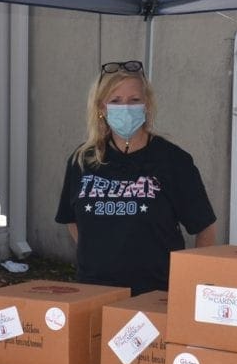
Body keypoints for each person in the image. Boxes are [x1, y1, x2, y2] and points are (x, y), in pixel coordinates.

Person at [56, 60, 217, 295]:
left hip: (156, 295)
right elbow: (71, 219)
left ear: (147, 105)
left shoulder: (173, 160)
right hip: (93, 293)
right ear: (101, 108)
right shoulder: (82, 160)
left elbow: (205, 228)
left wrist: (191, 284)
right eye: (115, 101)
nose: (126, 108)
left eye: (134, 100)